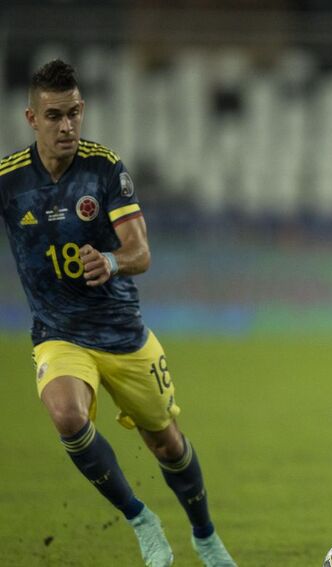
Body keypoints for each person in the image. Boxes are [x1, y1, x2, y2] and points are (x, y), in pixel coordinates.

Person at [0, 59, 237, 567]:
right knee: (66, 414)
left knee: (168, 445)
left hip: (122, 334)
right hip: (59, 333)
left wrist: (109, 260)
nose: (67, 126)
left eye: (75, 113)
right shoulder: (10, 179)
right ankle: (140, 519)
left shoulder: (105, 168)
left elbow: (141, 253)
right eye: (55, 116)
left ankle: (205, 536)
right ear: (31, 118)